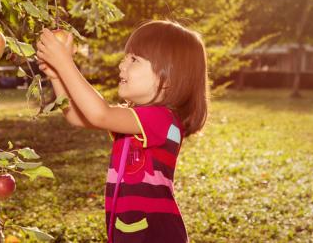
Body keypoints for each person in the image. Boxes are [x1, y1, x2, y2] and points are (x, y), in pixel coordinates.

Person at [36, 20, 209, 243]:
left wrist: (65, 64)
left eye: (134, 59)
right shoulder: (136, 118)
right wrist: (56, 75)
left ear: (168, 78)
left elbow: (100, 114)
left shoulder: (162, 120)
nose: (122, 65)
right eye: (125, 57)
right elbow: (77, 116)